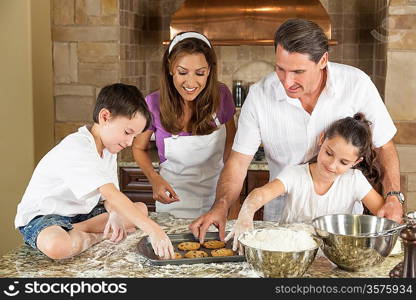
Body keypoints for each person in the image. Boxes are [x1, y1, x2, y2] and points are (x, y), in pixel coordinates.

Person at [190, 18, 403, 243]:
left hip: (341, 231)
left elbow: (384, 146)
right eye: (280, 69)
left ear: (323, 60)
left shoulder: (356, 84)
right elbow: (238, 162)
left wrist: (392, 197)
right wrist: (221, 206)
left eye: (298, 71)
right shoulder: (260, 95)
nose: (287, 81)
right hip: (282, 227)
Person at [15, 83, 175, 260]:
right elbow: (112, 194)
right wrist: (154, 230)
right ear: (105, 116)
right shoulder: (78, 147)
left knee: (141, 209)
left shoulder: (108, 150)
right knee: (58, 246)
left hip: (80, 216)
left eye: (134, 137)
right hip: (45, 218)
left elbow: (109, 200)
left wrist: (114, 214)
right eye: (127, 132)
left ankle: (77, 231)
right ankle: (92, 235)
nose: (130, 142)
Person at [226, 113, 386, 253]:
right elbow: (260, 194)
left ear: (356, 162)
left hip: (334, 260)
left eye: (343, 162)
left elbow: (385, 215)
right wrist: (246, 214)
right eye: (329, 153)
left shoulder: (354, 180)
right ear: (321, 139)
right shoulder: (295, 175)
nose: (332, 165)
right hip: (290, 255)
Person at [132, 32, 236, 218]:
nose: (190, 82)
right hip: (172, 200)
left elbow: (231, 141)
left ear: (209, 71)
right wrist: (154, 179)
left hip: (216, 198)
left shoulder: (221, 95)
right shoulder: (153, 103)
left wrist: (227, 191)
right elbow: (139, 148)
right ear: (170, 67)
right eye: (182, 72)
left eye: (200, 73)